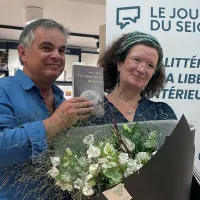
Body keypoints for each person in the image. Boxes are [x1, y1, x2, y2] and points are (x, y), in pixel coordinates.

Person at [0, 19, 94, 200]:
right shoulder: (3, 90)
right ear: (23, 53)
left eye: (62, 50)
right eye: (46, 48)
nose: (57, 55)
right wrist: (54, 124)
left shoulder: (63, 101)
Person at [86, 31, 177, 126]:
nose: (142, 70)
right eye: (136, 60)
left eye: (150, 65)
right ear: (119, 63)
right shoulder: (92, 109)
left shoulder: (163, 113)